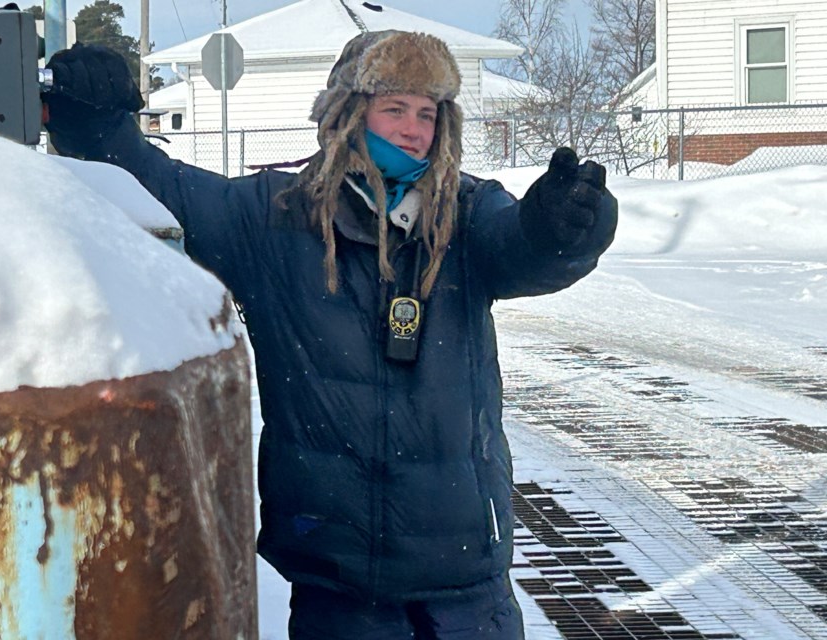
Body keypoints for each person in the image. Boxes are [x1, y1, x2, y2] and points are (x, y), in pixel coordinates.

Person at [43, 30, 617, 640]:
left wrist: (566, 228)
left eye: (427, 113)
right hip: (342, 586)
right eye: (394, 108)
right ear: (348, 112)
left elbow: (524, 248)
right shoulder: (274, 218)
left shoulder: (467, 214)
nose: (413, 129)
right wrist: (102, 126)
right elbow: (167, 190)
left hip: (467, 582)